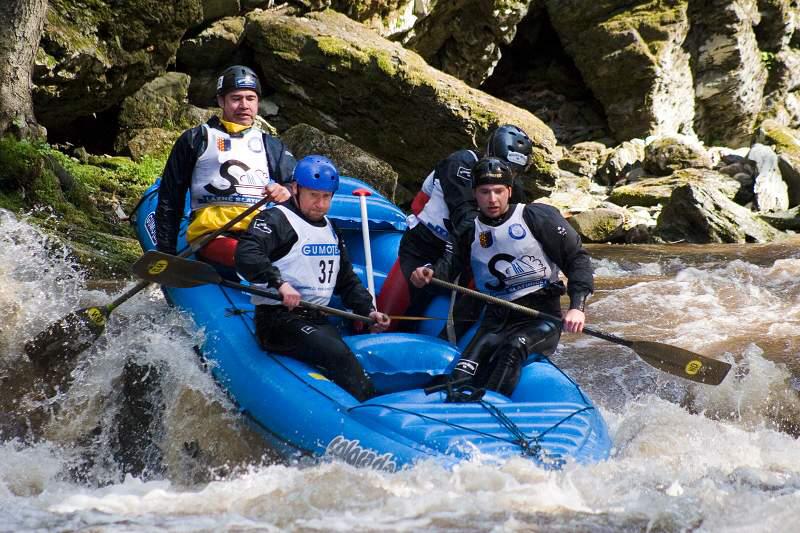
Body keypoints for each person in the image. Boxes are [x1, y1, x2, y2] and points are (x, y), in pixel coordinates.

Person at [410, 157, 593, 398]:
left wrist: (577, 306)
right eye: (485, 192)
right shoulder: (469, 230)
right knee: (463, 371)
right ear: (475, 193)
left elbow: (577, 259)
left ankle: (490, 405)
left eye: (498, 191)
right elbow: (449, 267)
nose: (492, 199)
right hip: (496, 319)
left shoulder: (536, 217)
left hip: (539, 317)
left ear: (509, 191)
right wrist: (428, 273)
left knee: (514, 346)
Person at [235, 155, 391, 402]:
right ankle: (366, 410)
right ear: (295, 189)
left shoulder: (331, 229)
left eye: (326, 197)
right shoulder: (275, 219)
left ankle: (364, 407)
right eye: (314, 196)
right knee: (338, 355)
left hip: (316, 318)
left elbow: (346, 280)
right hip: (277, 319)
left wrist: (368, 310)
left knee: (348, 362)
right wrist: (280, 284)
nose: (320, 204)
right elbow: (247, 253)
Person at [377, 124, 535, 333]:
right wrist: (439, 270)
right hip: (425, 246)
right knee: (385, 320)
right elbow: (466, 220)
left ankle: (461, 348)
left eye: (513, 171)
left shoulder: (511, 188)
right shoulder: (460, 164)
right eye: (503, 165)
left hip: (467, 253)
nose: (505, 174)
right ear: (489, 154)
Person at [155, 65, 296, 269]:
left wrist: (286, 190)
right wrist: (166, 253)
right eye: (236, 98)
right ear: (221, 101)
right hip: (213, 235)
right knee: (249, 257)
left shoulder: (269, 144)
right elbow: (171, 197)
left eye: (251, 98)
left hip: (258, 234)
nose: (244, 105)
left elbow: (299, 187)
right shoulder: (196, 139)